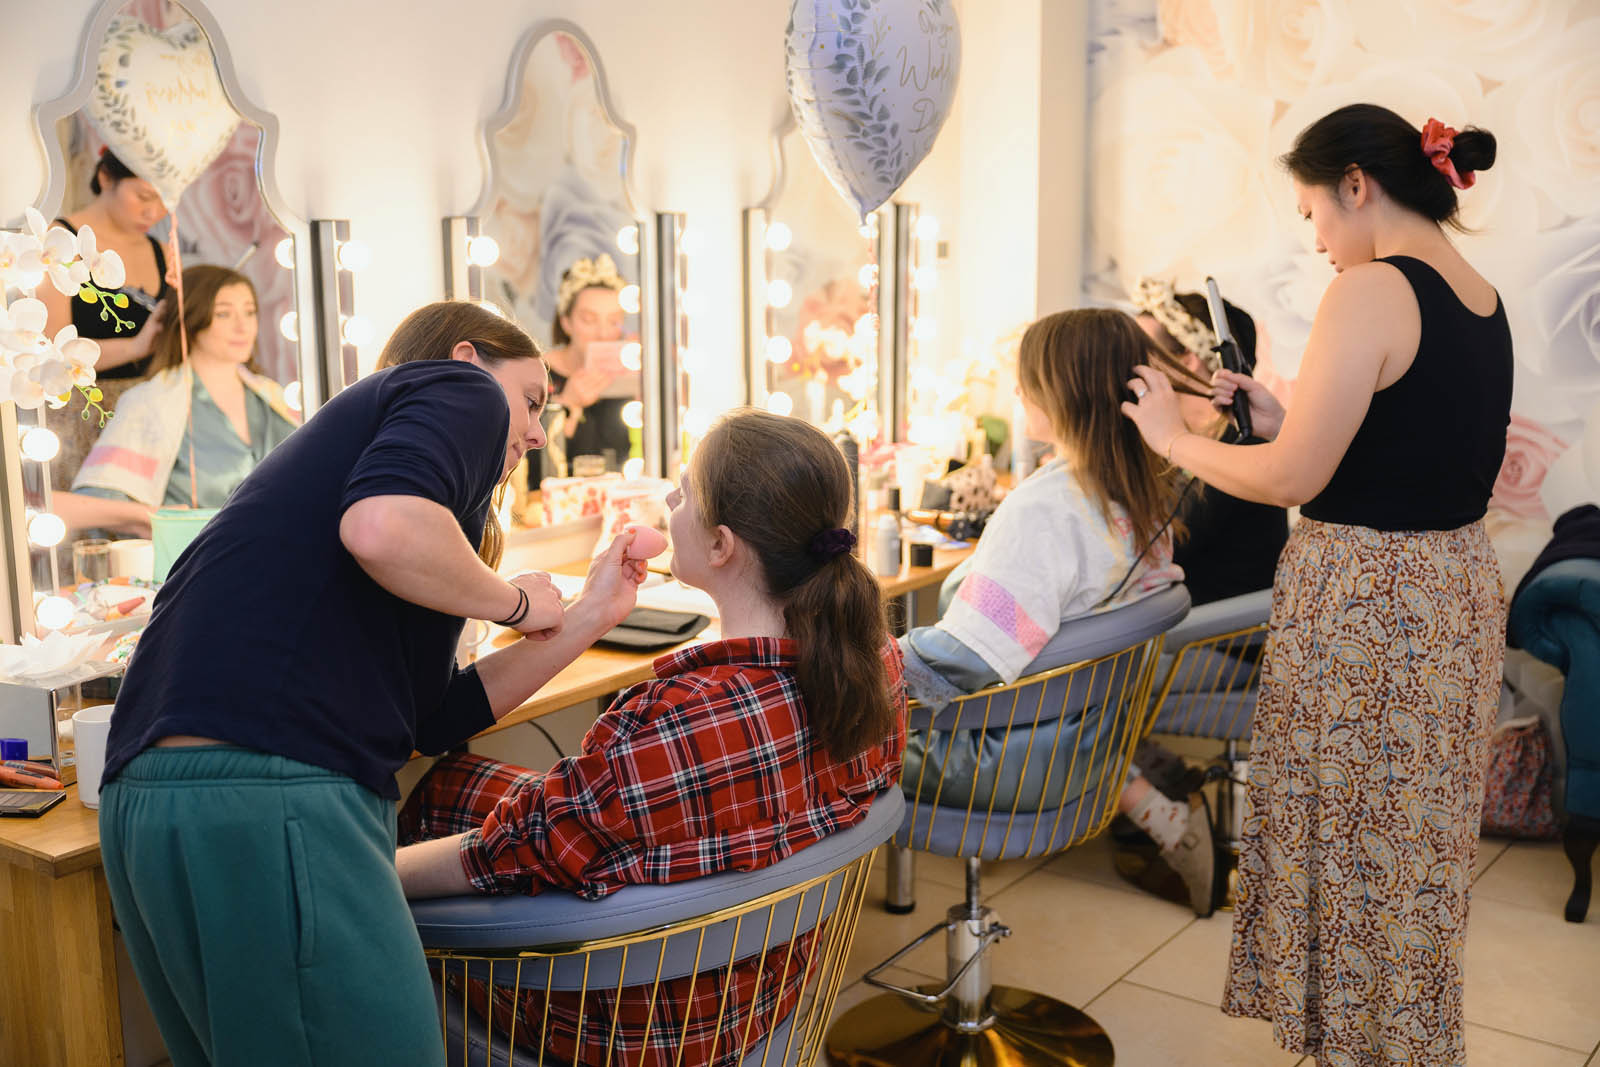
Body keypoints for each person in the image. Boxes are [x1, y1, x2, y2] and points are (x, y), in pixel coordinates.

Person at [96, 301, 650, 1066]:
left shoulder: (361, 479)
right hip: (275, 795)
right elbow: (380, 528)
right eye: (530, 399)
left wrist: (588, 615)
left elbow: (435, 717)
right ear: (466, 359)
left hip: (144, 804)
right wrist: (514, 600)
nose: (534, 431)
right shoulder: (462, 394)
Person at [1121, 105, 1510, 1066]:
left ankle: (1354, 1047)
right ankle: (1396, 1040)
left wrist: (1173, 439)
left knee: (1348, 844)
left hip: (1372, 607)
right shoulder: (1478, 293)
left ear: (1355, 185)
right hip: (1451, 593)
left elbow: (1296, 479)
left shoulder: (1372, 289)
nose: (1319, 241)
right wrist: (1277, 407)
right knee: (1412, 854)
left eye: (1312, 214)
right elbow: (1403, 439)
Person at [395, 410, 906, 1067]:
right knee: (460, 785)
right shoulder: (878, 663)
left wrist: (366, 880)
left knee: (436, 804)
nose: (671, 500)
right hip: (769, 985)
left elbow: (505, 853)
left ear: (722, 545)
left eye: (686, 491)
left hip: (639, 1025)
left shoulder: (674, 725)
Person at [896, 308, 1224, 914]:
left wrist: (852, 666)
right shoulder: (1141, 494)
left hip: (1011, 763)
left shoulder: (1046, 510)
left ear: (1061, 395)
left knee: (817, 726)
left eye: (1028, 381)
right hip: (1088, 749)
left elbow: (964, 659)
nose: (1017, 392)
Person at [71, 265, 298, 511]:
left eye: (250, 312)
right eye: (223, 314)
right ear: (191, 319)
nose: (243, 327)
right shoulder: (150, 404)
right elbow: (101, 500)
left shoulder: (274, 397)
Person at [1130, 279, 1289, 606]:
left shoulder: (1243, 446)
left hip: (1214, 640)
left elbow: (1162, 547)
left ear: (1187, 358)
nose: (1126, 365)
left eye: (1137, 351)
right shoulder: (1179, 441)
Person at [41, 148, 172, 378]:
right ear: (106, 177)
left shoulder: (164, 252)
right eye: (144, 197)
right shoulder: (57, 241)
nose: (154, 213)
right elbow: (51, 348)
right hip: (81, 405)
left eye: (166, 201)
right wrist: (135, 347)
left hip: (150, 403)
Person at [539, 253, 636, 476]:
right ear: (566, 322)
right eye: (589, 320)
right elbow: (531, 467)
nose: (602, 333)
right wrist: (567, 404)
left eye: (613, 322)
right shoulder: (538, 374)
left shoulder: (630, 377)